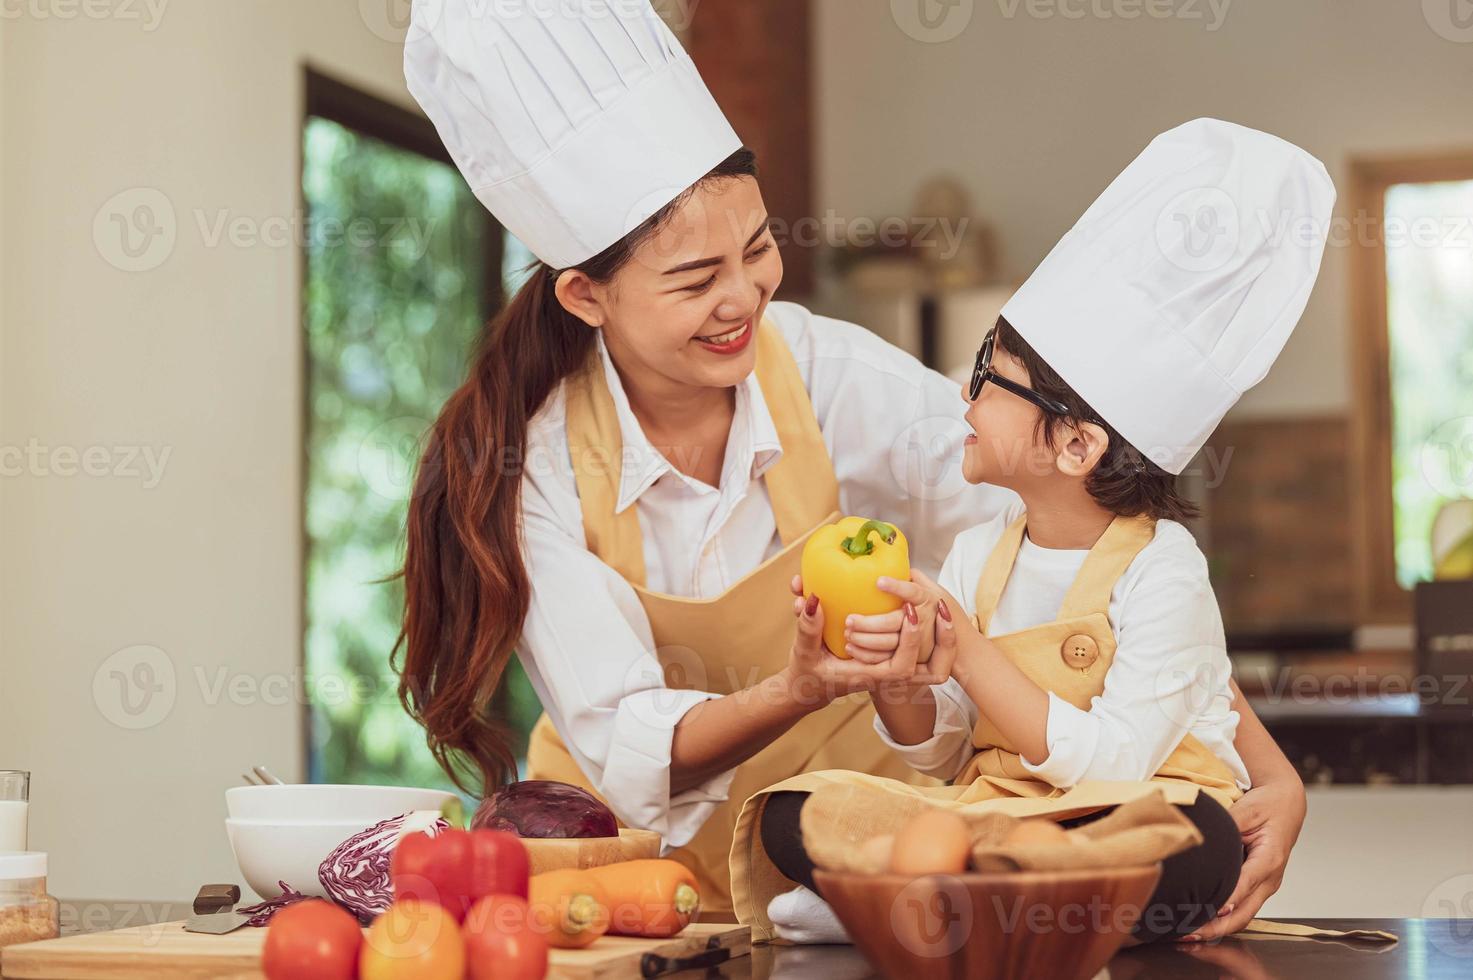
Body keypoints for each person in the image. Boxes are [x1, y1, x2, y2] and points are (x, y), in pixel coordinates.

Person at [397, 0, 1308, 927]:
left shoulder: (822, 374)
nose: (741, 296)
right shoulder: (537, 463)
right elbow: (629, 743)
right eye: (692, 278)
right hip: (627, 877)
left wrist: (1268, 770)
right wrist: (795, 687)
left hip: (853, 865)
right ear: (587, 297)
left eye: (755, 249)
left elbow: (1080, 534)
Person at [738, 118, 1335, 944]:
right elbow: (945, 759)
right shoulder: (982, 553)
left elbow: (1121, 766)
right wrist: (899, 684)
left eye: (988, 379)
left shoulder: (1163, 570)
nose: (963, 397)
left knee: (1199, 843)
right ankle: (980, 895)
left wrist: (970, 653)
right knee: (796, 812)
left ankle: (905, 897)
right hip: (998, 813)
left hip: (1126, 813)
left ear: (1075, 443)